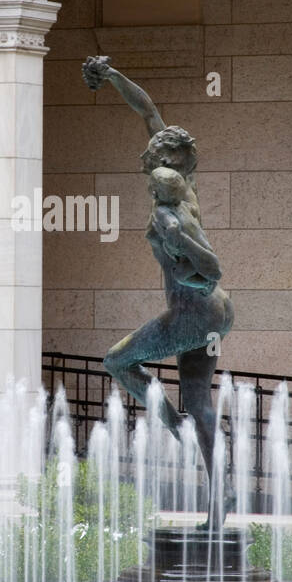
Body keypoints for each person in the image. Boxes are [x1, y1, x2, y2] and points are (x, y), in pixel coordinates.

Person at [81, 55, 234, 481]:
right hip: (215, 313)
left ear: (164, 162)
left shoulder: (171, 211)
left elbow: (211, 267)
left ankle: (173, 424)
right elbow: (148, 111)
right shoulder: (185, 183)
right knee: (199, 395)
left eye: (151, 158)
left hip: (192, 313)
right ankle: (220, 489)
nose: (144, 159)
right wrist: (111, 75)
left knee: (117, 362)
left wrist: (182, 252)